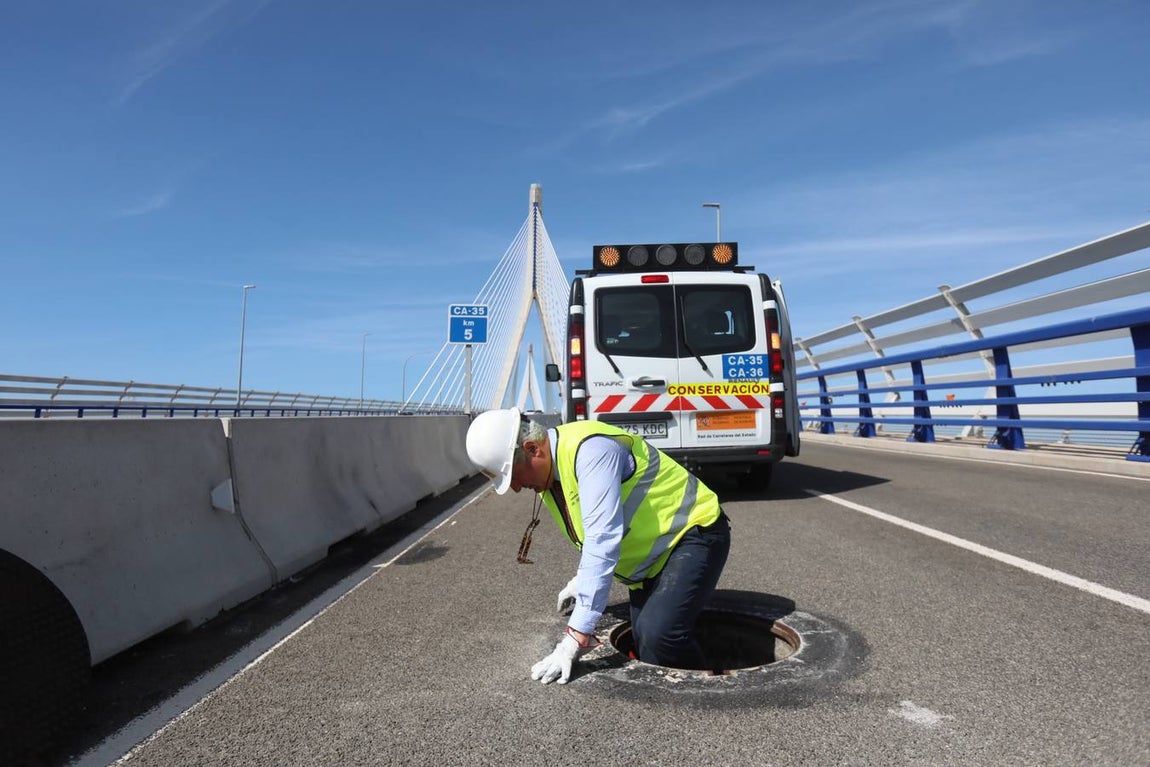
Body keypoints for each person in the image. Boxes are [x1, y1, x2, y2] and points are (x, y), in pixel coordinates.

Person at [465, 407, 731, 685]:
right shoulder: (550, 475)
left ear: (533, 449)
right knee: (644, 639)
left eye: (514, 476)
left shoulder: (592, 451)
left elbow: (602, 541)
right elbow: (593, 527)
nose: (517, 487)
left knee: (661, 635)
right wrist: (584, 579)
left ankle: (713, 695)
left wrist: (574, 638)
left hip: (693, 533)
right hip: (656, 557)